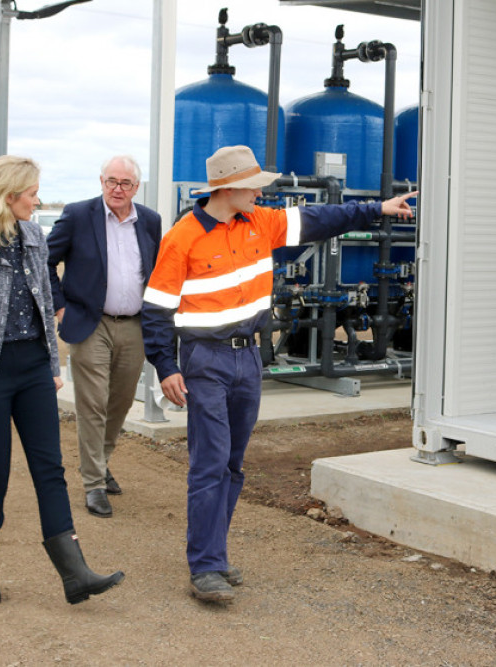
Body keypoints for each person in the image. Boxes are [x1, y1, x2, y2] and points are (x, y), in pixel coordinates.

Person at [141, 145, 416, 602]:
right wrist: (165, 366)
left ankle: (216, 554)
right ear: (228, 188)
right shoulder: (182, 237)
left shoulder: (261, 223)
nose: (261, 193)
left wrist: (377, 209)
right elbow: (156, 310)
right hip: (204, 360)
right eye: (254, 185)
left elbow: (323, 219)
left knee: (232, 463)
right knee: (210, 462)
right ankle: (205, 566)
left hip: (249, 357)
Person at [0, 155, 123, 607]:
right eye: (32, 193)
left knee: (50, 469)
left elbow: (44, 306)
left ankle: (74, 573)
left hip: (32, 369)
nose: (37, 200)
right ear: (9, 197)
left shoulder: (34, 237)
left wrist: (52, 367)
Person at [47, 156, 162, 518]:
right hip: (89, 324)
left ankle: (102, 459)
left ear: (136, 187)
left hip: (134, 325)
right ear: (101, 181)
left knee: (121, 403)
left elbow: (154, 271)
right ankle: (94, 484)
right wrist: (59, 306)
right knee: (93, 404)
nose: (117, 188)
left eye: (125, 183)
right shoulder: (78, 215)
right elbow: (45, 262)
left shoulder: (150, 221)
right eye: (111, 181)